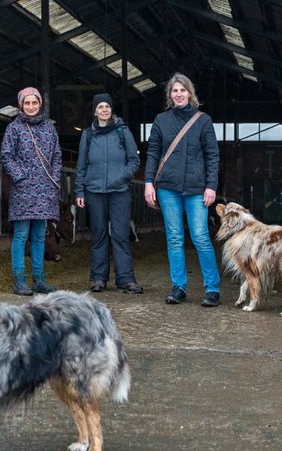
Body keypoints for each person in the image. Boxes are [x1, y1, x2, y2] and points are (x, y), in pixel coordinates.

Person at [143, 73, 221, 307]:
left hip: (197, 188)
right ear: (170, 95)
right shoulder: (161, 120)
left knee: (200, 237)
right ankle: (178, 287)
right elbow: (154, 151)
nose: (178, 94)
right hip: (168, 187)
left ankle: (213, 288)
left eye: (182, 90)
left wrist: (211, 186)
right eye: (174, 91)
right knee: (174, 238)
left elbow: (212, 155)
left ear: (190, 93)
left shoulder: (203, 120)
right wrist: (148, 182)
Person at [74, 93, 143, 294]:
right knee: (99, 234)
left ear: (111, 110)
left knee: (120, 235)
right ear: (95, 111)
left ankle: (125, 279)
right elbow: (81, 165)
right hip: (94, 191)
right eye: (100, 107)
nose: (104, 109)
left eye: (107, 106)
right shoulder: (87, 135)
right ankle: (98, 278)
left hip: (119, 191)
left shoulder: (123, 132)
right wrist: (79, 190)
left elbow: (134, 161)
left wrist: (121, 176)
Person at [0, 87, 62, 295]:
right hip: (23, 189)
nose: (31, 107)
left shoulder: (49, 128)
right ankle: (19, 280)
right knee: (20, 235)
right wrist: (20, 177)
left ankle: (39, 279)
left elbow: (56, 155)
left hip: (44, 188)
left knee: (39, 235)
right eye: (27, 103)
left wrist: (53, 179)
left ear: (40, 104)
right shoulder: (14, 128)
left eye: (34, 103)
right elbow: (6, 156)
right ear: (21, 105)